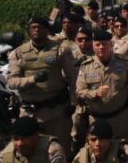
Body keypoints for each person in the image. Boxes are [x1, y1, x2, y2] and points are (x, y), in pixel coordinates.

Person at [7, 17, 77, 154]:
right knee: (27, 152)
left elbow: (74, 77)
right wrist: (33, 79)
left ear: (47, 30)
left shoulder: (60, 49)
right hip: (29, 112)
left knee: (61, 150)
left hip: (56, 110)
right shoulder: (19, 53)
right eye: (33, 27)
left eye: (40, 27)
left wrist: (74, 102)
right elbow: (11, 82)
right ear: (28, 31)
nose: (37, 30)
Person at [77, 29, 128, 141]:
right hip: (97, 121)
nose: (101, 47)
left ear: (111, 45)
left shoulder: (122, 62)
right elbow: (79, 91)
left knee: (124, 152)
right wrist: (94, 93)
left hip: (121, 119)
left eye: (104, 44)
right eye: (98, 44)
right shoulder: (86, 66)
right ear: (93, 46)